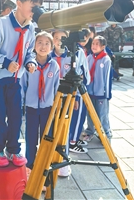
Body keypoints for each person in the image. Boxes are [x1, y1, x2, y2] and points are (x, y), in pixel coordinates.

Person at [0, 0, 43, 167]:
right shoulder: (2, 24)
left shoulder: (30, 28)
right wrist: (6, 63)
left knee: (16, 116)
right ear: (19, 2)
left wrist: (30, 62)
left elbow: (29, 50)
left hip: (15, 80)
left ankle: (13, 149)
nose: (35, 10)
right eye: (33, 6)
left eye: (38, 6)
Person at [51, 29, 90, 177]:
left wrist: (77, 96)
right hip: (51, 99)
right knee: (50, 130)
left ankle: (63, 161)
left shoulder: (78, 54)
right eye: (56, 38)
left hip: (69, 97)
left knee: (65, 129)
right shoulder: (48, 54)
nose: (60, 41)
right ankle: (50, 158)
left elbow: (85, 76)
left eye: (63, 38)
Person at [21, 31, 59, 172]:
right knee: (31, 138)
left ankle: (43, 164)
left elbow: (56, 88)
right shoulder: (29, 65)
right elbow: (23, 86)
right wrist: (22, 105)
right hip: (31, 107)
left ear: (52, 46)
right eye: (40, 43)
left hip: (47, 108)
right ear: (34, 45)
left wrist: (56, 107)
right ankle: (29, 165)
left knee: (46, 137)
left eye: (47, 43)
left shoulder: (54, 66)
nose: (43, 46)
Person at [84, 36, 112, 143]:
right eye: (93, 44)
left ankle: (106, 132)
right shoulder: (89, 58)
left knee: (102, 114)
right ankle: (90, 131)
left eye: (97, 44)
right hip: (90, 92)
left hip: (101, 93)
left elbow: (108, 77)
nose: (94, 46)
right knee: (90, 113)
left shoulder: (106, 59)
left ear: (103, 46)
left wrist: (107, 93)